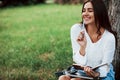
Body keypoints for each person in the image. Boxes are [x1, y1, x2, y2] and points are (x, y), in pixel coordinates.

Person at [58, 0, 117, 80]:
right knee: (62, 78)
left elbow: (105, 67)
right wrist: (82, 47)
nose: (85, 14)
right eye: (83, 11)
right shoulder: (77, 29)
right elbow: (77, 60)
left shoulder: (109, 37)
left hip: (102, 73)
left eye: (90, 11)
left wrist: (95, 74)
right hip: (81, 70)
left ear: (99, 12)